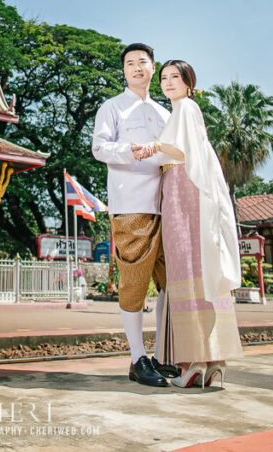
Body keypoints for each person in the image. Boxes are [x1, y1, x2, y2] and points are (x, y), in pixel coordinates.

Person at [131, 60, 243, 389]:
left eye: (174, 78)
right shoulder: (185, 110)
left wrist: (152, 146)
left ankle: (192, 363)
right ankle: (211, 362)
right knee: (197, 268)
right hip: (186, 188)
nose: (167, 83)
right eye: (163, 78)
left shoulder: (185, 108)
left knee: (185, 270)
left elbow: (180, 151)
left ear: (188, 82)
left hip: (182, 189)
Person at [92, 43, 173, 387]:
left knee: (172, 282)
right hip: (132, 204)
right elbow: (99, 146)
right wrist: (131, 150)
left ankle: (165, 354)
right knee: (135, 282)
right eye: (130, 63)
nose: (137, 67)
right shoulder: (113, 107)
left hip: (167, 205)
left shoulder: (166, 112)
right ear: (123, 71)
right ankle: (137, 356)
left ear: (153, 68)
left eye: (143, 62)